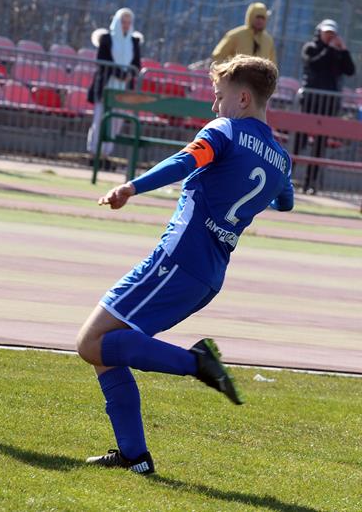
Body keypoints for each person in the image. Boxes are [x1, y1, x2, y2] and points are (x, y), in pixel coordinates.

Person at [76, 54, 293, 475]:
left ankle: (197, 363)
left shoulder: (225, 130)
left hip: (177, 260)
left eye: (219, 96)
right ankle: (135, 457)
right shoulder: (281, 159)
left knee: (90, 342)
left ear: (243, 98)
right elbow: (285, 201)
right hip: (208, 277)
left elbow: (184, 161)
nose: (215, 105)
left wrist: (131, 187)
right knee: (109, 347)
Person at [296, 19, 356, 194]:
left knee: (320, 145)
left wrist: (344, 50)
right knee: (300, 141)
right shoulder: (310, 47)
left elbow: (350, 70)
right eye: (327, 32)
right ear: (319, 32)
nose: (330, 36)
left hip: (328, 104)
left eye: (332, 33)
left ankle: (310, 183)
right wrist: (330, 49)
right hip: (310, 101)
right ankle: (285, 179)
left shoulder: (338, 53)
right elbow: (314, 64)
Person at [87, 8, 141, 167]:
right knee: (100, 119)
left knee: (116, 122)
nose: (126, 25)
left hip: (123, 88)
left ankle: (105, 153)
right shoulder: (107, 39)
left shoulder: (134, 41)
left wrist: (129, 74)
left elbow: (136, 64)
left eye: (128, 22)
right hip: (106, 85)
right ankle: (94, 151)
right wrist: (119, 73)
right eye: (123, 22)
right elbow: (103, 61)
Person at [212, 2, 276, 64]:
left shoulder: (268, 41)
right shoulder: (235, 35)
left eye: (263, 18)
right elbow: (218, 56)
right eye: (257, 17)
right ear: (251, 17)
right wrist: (228, 69)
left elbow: (273, 64)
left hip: (260, 72)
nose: (260, 21)